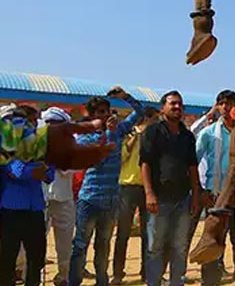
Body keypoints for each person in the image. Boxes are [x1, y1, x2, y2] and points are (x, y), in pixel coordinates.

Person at [69, 88, 145, 286]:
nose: (106, 115)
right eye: (101, 112)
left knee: (103, 246)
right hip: (90, 199)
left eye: (107, 111)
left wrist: (125, 97)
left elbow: (140, 112)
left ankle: (102, 282)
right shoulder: (86, 136)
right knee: (80, 245)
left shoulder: (119, 130)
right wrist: (110, 134)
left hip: (110, 200)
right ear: (93, 115)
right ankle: (74, 281)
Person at [140, 91, 201, 286]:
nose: (177, 107)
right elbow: (145, 164)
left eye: (180, 104)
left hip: (182, 199)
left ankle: (176, 282)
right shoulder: (152, 132)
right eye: (172, 104)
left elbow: (193, 167)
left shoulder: (187, 136)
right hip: (159, 199)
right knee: (155, 247)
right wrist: (149, 193)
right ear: (162, 108)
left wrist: (196, 196)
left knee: (179, 247)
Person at [196, 90, 235, 286]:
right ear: (217, 107)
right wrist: (201, 191)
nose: (226, 107)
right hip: (216, 196)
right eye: (222, 103)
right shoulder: (208, 133)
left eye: (230, 103)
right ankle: (210, 282)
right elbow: (193, 163)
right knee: (213, 242)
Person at [0, 107, 53, 286]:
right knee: (7, 259)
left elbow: (49, 174)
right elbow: (16, 172)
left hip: (35, 209)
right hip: (11, 211)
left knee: (36, 259)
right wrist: (35, 167)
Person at [112, 106, 159, 285]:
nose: (156, 122)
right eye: (154, 118)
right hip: (127, 186)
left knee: (149, 234)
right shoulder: (128, 133)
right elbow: (121, 156)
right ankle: (118, 273)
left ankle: (146, 272)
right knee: (123, 232)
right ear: (146, 119)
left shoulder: (156, 138)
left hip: (148, 189)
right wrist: (136, 137)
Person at [41, 107, 77, 286]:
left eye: (54, 124)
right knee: (37, 240)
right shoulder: (36, 142)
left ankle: (63, 276)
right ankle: (35, 276)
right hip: (40, 199)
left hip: (63, 198)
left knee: (64, 242)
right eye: (48, 123)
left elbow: (74, 167)